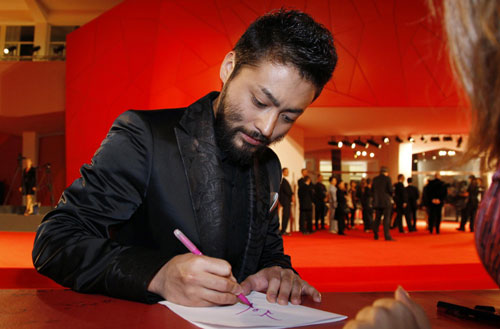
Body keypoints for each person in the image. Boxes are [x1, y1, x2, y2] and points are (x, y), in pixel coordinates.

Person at [32, 9, 337, 306]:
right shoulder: (145, 135)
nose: (267, 128)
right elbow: (55, 241)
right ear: (229, 67)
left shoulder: (268, 165)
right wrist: (158, 275)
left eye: (288, 116)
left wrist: (277, 272)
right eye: (259, 101)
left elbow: (268, 252)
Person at [347, 0, 500, 326]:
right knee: (394, 223)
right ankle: (385, 233)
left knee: (398, 223)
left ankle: (387, 233)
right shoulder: (386, 183)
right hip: (389, 204)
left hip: (395, 204)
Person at [371, 167, 394, 241]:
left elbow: (372, 190)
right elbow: (390, 190)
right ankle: (387, 236)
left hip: (377, 202)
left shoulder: (375, 179)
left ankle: (375, 234)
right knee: (386, 219)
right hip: (386, 201)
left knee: (377, 218)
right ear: (386, 172)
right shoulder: (387, 179)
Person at [278, 167, 293, 235]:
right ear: (283, 172)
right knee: (285, 216)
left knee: (286, 216)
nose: (287, 173)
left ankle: (283, 229)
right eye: (286, 171)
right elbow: (287, 191)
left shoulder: (284, 180)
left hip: (286, 201)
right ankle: (283, 230)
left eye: (288, 171)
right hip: (285, 201)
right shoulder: (283, 180)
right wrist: (292, 194)